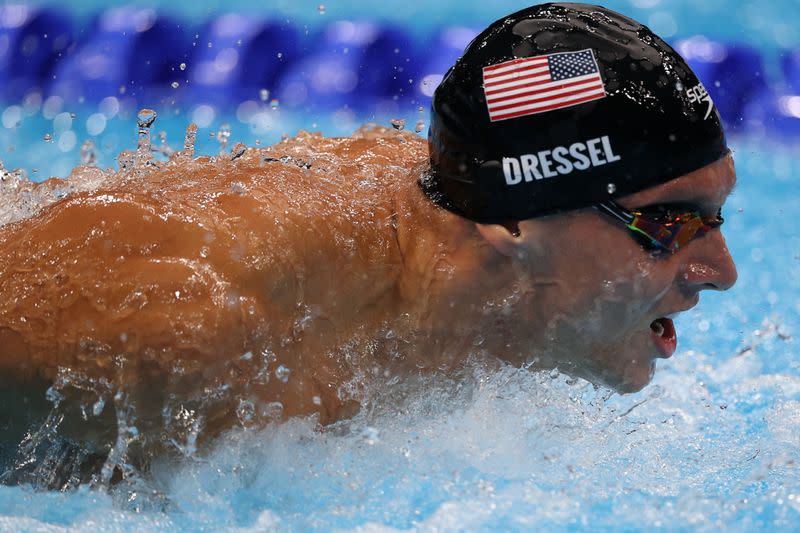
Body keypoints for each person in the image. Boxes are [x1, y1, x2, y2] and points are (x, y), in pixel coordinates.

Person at [0, 2, 736, 465]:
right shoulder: (189, 330)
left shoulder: (468, 253)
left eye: (718, 215)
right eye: (670, 222)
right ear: (514, 220)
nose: (723, 269)